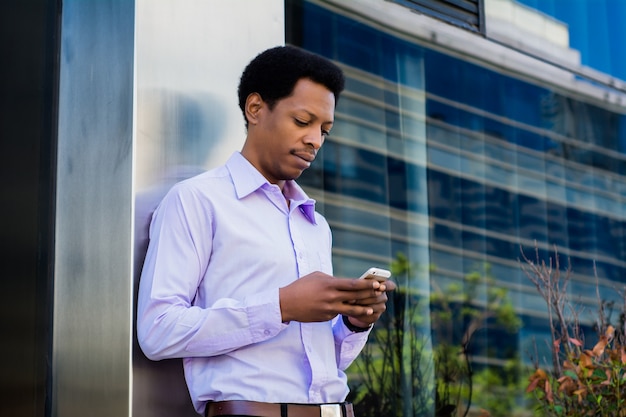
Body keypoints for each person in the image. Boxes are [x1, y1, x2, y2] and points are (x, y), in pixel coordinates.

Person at [137, 44, 396, 417]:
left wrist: (355, 323)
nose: (315, 141)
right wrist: (282, 306)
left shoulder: (315, 225)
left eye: (325, 130)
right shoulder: (197, 200)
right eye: (303, 121)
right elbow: (158, 330)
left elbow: (324, 360)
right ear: (255, 109)